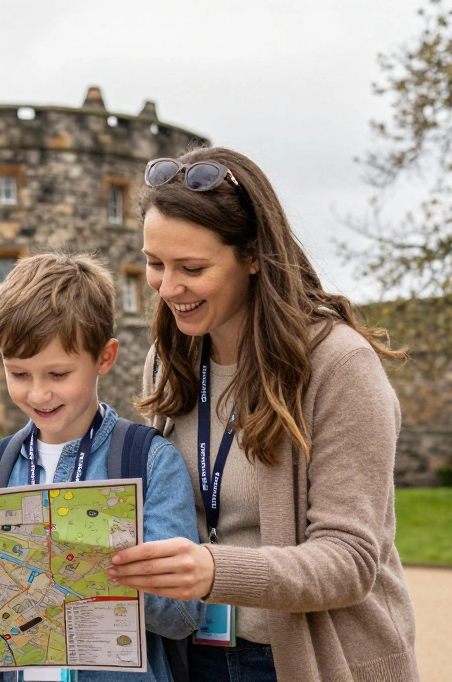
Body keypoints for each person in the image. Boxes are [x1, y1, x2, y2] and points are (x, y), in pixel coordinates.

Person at [108, 148, 420, 681]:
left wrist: (214, 571)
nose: (167, 287)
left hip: (309, 660)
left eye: (193, 268)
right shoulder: (167, 360)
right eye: (155, 264)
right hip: (195, 658)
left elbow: (349, 560)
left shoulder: (341, 365)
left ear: (252, 256)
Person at [0, 252, 204, 682]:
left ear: (105, 357)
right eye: (19, 374)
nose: (38, 394)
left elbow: (184, 616)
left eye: (58, 374)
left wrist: (99, 565)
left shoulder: (150, 461)